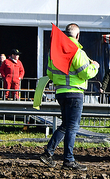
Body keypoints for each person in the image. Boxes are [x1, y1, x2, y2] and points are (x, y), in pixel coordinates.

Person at [39, 23, 99, 171]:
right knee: (72, 127)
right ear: (77, 36)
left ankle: (49, 153)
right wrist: (95, 67)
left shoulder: (54, 51)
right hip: (75, 93)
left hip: (60, 92)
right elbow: (85, 73)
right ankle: (68, 160)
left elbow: (50, 73)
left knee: (66, 125)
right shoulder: (77, 51)